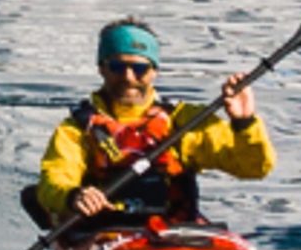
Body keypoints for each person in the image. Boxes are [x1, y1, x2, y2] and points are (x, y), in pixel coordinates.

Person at [35, 19, 270, 228]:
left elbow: (254, 168)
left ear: (154, 71)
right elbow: (55, 178)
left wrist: (244, 123)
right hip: (102, 230)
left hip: (174, 230)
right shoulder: (76, 129)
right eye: (117, 67)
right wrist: (73, 196)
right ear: (101, 69)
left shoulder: (184, 121)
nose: (128, 77)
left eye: (139, 69)